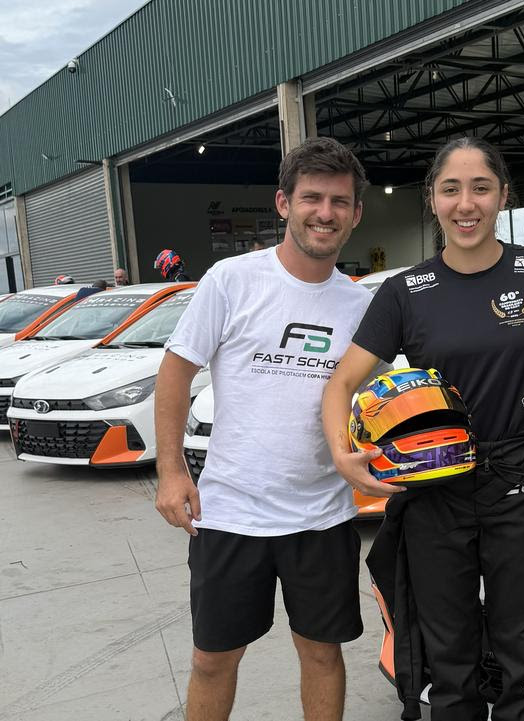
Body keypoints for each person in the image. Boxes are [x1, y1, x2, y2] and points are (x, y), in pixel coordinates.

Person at [322, 136, 524, 721]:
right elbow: (341, 383)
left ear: (503, 196)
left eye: (481, 188)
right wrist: (342, 454)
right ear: (432, 199)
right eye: (451, 189)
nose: (466, 204)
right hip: (435, 491)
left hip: (522, 485)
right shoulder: (405, 291)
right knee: (449, 658)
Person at [153, 137, 371, 721]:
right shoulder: (231, 279)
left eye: (339, 201)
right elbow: (176, 370)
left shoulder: (360, 305)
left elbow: (379, 398)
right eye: (312, 198)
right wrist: (171, 471)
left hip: (322, 516)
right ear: (283, 203)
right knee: (212, 660)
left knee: (322, 653)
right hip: (231, 512)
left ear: (355, 214)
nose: (325, 212)